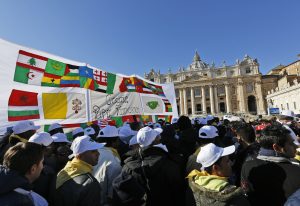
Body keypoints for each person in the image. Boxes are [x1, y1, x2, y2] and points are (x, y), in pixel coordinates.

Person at [114, 126, 184, 206]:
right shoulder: (168, 164)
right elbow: (178, 191)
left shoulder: (127, 166)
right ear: (155, 141)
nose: (160, 138)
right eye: (157, 136)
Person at [241, 123, 300, 206]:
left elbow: (246, 193)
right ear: (277, 148)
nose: (295, 146)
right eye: (291, 143)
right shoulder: (296, 172)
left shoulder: (247, 165)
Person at [54, 135, 105, 206]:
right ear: (79, 155)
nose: (98, 154)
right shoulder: (90, 183)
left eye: (97, 150)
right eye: (93, 151)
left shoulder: (63, 172)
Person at [93, 125, 122, 206]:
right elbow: (113, 188)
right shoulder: (113, 159)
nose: (119, 142)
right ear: (113, 142)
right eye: (118, 140)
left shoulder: (90, 153)